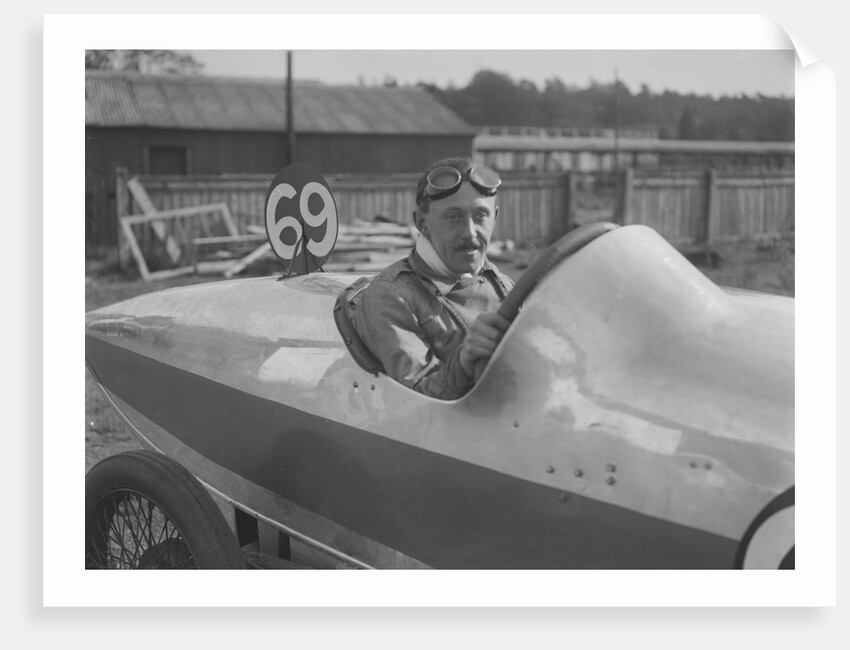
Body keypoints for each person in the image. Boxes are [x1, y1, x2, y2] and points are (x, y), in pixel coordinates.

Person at [351, 157, 514, 400]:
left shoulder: (503, 285)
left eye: (480, 216)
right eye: (453, 217)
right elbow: (417, 399)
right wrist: (465, 361)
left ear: (495, 218)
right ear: (422, 224)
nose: (470, 233)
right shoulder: (391, 296)